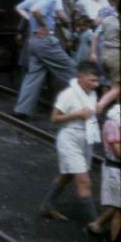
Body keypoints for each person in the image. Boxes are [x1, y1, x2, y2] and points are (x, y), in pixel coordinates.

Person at [40, 61, 101, 226]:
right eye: (92, 80)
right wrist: (76, 114)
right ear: (81, 77)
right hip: (70, 138)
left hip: (85, 139)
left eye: (97, 81)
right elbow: (54, 118)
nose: (96, 85)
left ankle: (47, 204)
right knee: (83, 180)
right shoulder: (68, 94)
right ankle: (95, 224)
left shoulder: (92, 94)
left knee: (68, 174)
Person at [13, 0, 77, 119]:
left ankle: (21, 110)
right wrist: (42, 25)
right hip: (46, 41)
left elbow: (19, 8)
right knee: (71, 69)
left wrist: (32, 22)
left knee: (34, 75)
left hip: (34, 40)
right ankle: (88, 107)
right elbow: (36, 11)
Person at [86, 102, 121, 238]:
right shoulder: (114, 121)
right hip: (115, 170)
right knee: (119, 210)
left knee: (118, 206)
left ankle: (97, 225)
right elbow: (118, 151)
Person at [91, 0, 119, 115]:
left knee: (107, 83)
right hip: (116, 55)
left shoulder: (105, 14)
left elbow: (96, 33)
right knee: (117, 87)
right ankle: (101, 107)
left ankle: (105, 113)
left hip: (104, 52)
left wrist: (93, 53)